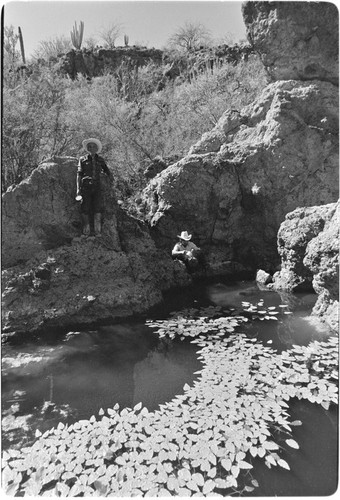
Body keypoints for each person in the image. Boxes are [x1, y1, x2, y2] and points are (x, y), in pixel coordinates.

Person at [76, 138, 112, 237]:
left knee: (97, 208)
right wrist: (78, 189)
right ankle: (86, 231)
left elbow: (107, 172)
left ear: (96, 148)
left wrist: (110, 184)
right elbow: (79, 174)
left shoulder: (100, 160)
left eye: (93, 146)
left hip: (97, 186)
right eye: (89, 146)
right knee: (84, 208)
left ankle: (98, 231)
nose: (91, 148)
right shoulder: (82, 159)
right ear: (87, 148)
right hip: (85, 186)